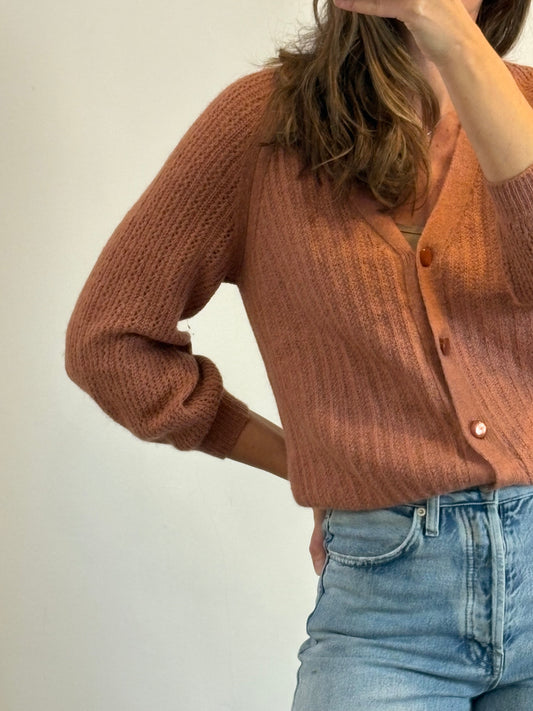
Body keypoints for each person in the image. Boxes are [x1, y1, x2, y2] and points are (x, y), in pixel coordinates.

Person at [64, 0, 533, 706]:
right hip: (389, 618)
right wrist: (315, 459)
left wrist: (457, 43)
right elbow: (109, 341)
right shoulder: (263, 125)